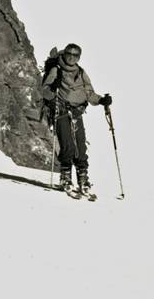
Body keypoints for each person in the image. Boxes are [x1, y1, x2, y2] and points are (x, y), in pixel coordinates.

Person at [40, 43, 112, 195]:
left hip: (77, 112)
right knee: (67, 144)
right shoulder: (56, 70)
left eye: (75, 55)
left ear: (79, 57)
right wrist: (52, 90)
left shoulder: (81, 72)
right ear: (65, 54)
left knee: (80, 145)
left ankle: (83, 178)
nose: (71, 57)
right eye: (69, 54)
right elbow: (44, 90)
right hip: (61, 111)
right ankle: (65, 177)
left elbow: (89, 93)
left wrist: (101, 100)